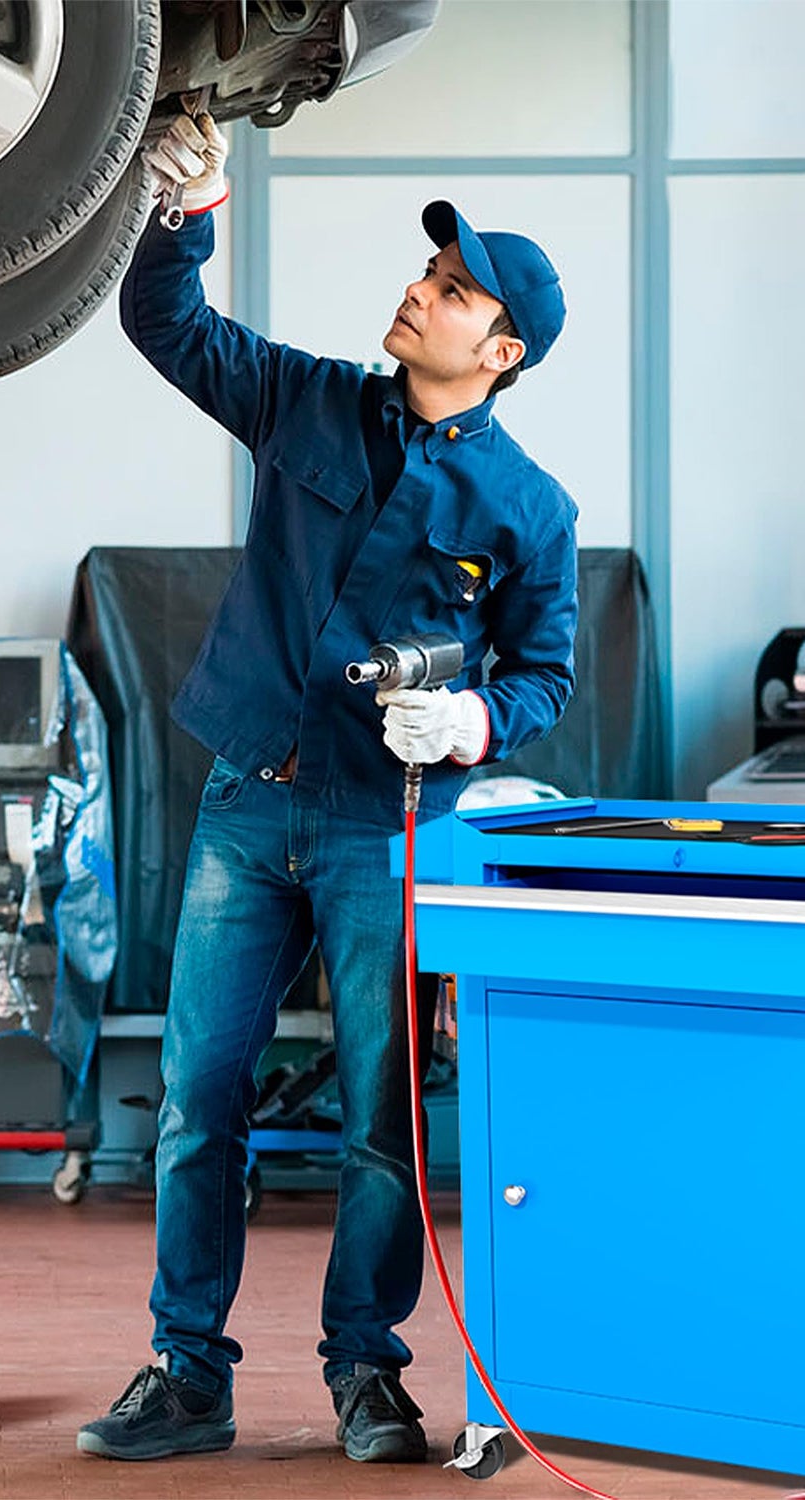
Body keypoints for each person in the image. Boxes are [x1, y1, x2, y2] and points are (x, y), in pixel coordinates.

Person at [77, 107, 579, 1466]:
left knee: (381, 1122)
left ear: (502, 350)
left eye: (455, 289)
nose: (422, 291)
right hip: (249, 802)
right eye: (431, 273)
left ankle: (367, 1370)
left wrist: (475, 718)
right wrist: (190, 211)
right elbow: (165, 326)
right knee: (198, 1102)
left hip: (387, 832)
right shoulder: (305, 399)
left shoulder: (532, 511)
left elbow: (548, 675)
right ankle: (188, 1373)